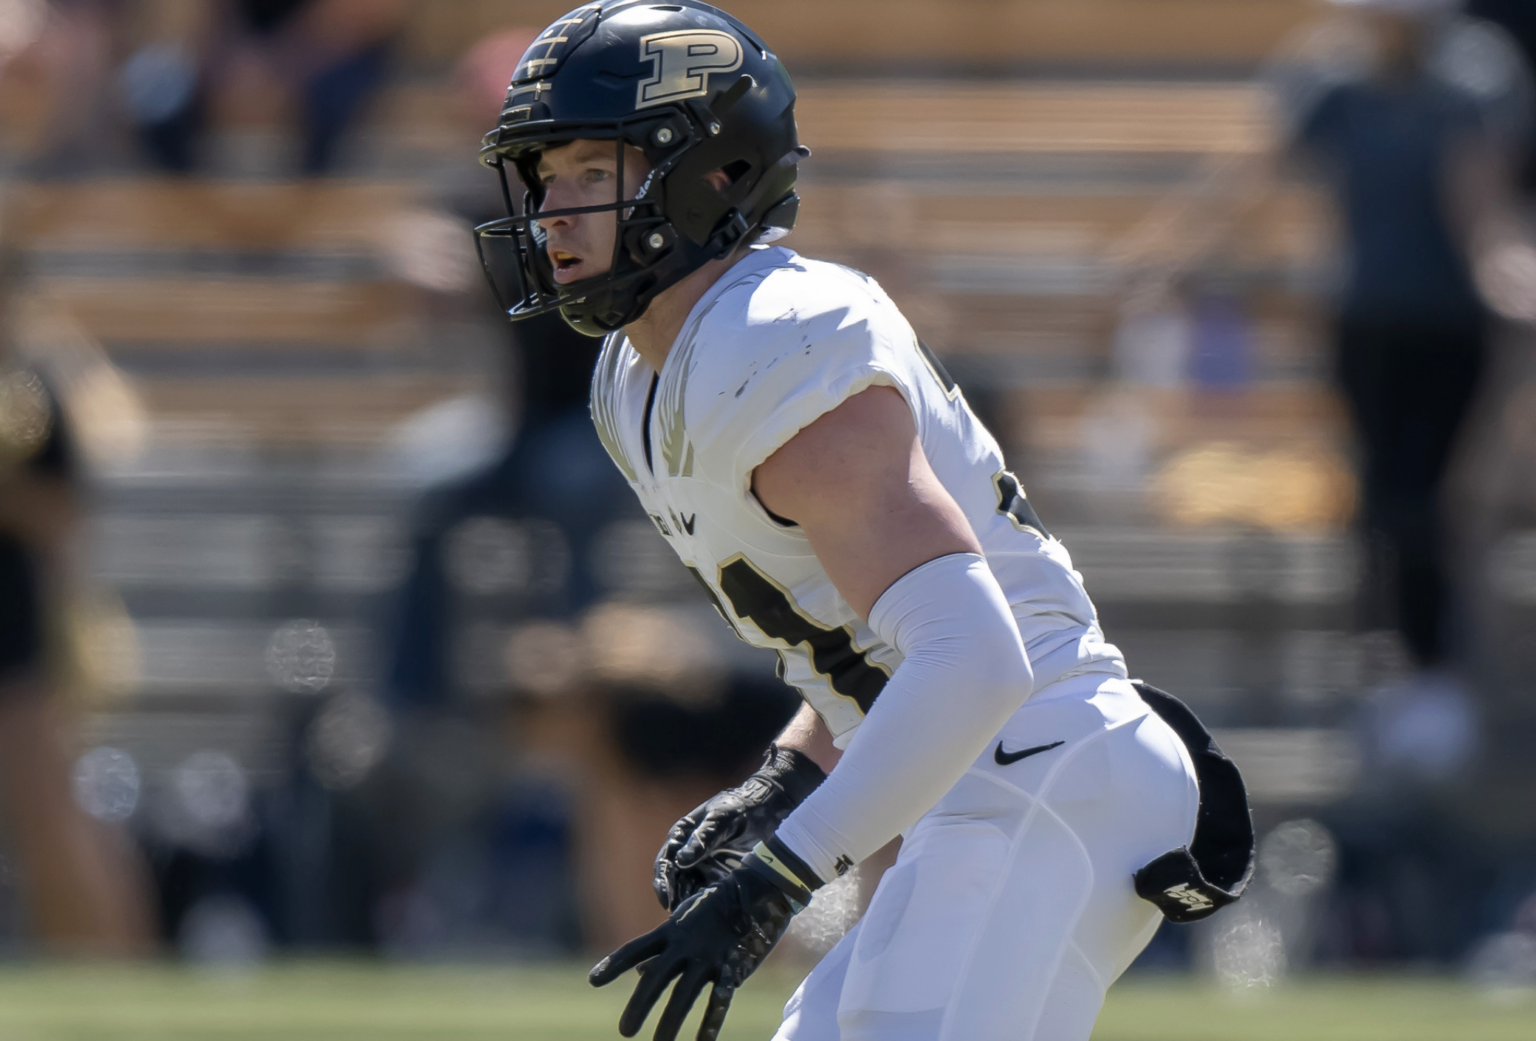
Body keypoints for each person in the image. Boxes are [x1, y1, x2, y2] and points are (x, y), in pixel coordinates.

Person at [474, 4, 1253, 1040]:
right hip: (986, 779)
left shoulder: (776, 341)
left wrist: (778, 876)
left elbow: (977, 657)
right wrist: (785, 776)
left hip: (1042, 762)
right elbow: (868, 635)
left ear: (712, 173)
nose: (552, 212)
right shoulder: (636, 377)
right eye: (541, 178)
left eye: (587, 172)